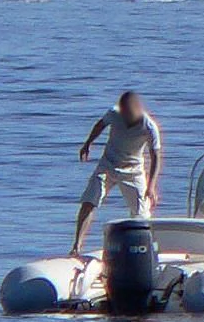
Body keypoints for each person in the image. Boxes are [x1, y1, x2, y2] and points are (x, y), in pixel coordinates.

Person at [70, 90, 164, 257]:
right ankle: (76, 247)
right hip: (108, 165)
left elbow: (155, 155)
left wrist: (151, 186)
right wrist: (87, 144)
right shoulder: (114, 113)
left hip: (133, 171)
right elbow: (100, 125)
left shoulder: (149, 126)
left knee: (141, 214)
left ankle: (144, 251)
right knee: (89, 200)